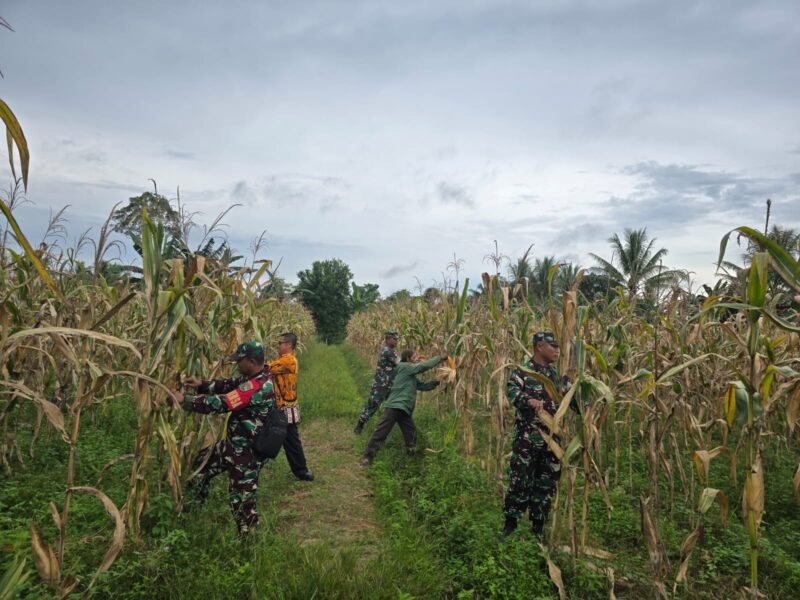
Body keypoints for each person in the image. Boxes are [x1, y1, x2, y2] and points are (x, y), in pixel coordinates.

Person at [177, 341, 275, 537]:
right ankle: (192, 511)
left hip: (246, 453)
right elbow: (229, 385)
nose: (237, 364)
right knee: (200, 466)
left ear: (251, 361)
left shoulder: (258, 386)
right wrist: (202, 385)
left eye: (240, 361)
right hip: (233, 445)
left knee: (242, 500)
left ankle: (249, 544)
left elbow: (223, 403)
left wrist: (184, 401)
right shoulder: (254, 376)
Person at [502, 331, 571, 537]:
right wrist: (527, 400)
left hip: (551, 442)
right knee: (519, 481)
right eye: (553, 346)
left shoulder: (555, 376)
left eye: (558, 347)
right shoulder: (524, 372)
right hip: (527, 439)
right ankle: (510, 527)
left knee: (546, 485)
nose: (557, 350)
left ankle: (537, 531)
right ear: (539, 346)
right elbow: (512, 391)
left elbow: (570, 399)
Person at [359, 350, 447, 466]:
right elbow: (423, 366)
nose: (417, 358)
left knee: (411, 433)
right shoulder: (405, 367)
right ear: (408, 358)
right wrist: (439, 358)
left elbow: (423, 386)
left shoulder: (410, 376)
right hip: (395, 406)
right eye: (415, 357)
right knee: (381, 432)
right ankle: (367, 457)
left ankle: (411, 459)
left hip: (404, 409)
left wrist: (435, 381)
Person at [268, 331, 313, 481]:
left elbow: (266, 368)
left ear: (288, 345)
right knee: (288, 438)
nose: (278, 346)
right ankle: (301, 470)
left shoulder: (289, 361)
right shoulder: (283, 359)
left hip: (285, 407)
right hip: (281, 406)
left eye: (280, 343)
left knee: (290, 439)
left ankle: (301, 470)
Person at [353, 331, 400, 435]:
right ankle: (360, 425)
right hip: (381, 384)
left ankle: (390, 429)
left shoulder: (392, 350)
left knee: (395, 405)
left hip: (390, 384)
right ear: (388, 339)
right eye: (394, 339)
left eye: (397, 339)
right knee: (373, 404)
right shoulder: (388, 351)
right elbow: (400, 364)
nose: (396, 341)